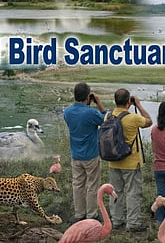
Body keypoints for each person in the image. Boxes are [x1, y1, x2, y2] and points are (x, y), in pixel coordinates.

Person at [108, 88, 152, 232]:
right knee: (133, 192)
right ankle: (133, 223)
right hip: (131, 162)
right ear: (128, 102)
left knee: (116, 191)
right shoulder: (133, 118)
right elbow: (149, 121)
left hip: (113, 160)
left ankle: (116, 220)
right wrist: (138, 105)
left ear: (115, 101)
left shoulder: (108, 116)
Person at [63, 82, 106, 224]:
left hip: (76, 155)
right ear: (88, 97)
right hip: (91, 155)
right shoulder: (91, 112)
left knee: (77, 184)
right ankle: (91, 214)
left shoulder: (67, 112)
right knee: (92, 185)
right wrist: (98, 103)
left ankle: (79, 213)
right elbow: (105, 121)